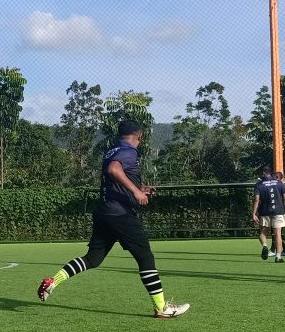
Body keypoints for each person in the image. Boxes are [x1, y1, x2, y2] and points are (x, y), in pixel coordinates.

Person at [37, 121, 189, 318]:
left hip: (104, 213)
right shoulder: (129, 151)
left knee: (92, 259)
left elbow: (115, 181)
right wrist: (136, 192)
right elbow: (114, 170)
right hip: (121, 215)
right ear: (140, 136)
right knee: (145, 257)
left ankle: (53, 281)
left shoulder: (111, 150)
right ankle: (161, 309)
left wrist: (139, 188)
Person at [252, 167, 285, 263]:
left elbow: (256, 200)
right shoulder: (279, 183)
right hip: (278, 211)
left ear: (263, 173)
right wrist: (281, 205)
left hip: (264, 212)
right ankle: (278, 257)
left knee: (263, 233)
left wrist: (254, 213)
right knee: (278, 234)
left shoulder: (259, 185)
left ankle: (265, 246)